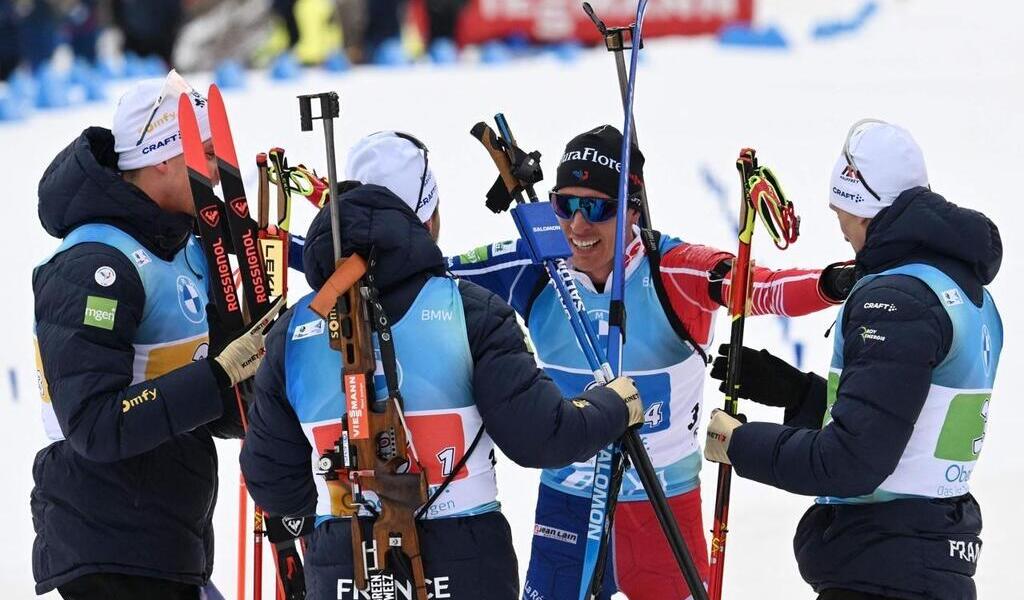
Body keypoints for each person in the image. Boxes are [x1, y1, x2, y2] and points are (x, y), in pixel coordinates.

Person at [448, 125, 855, 600]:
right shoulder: (536, 267)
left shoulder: (672, 270)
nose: (578, 226)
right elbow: (428, 280)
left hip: (662, 508)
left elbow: (759, 287)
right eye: (565, 205)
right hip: (568, 508)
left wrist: (836, 282)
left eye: (597, 208)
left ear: (632, 208)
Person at [239, 132, 644, 600]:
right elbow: (542, 436)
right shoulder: (470, 312)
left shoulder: (294, 330)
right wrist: (613, 405)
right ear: (428, 217)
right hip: (466, 562)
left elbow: (271, 480)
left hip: (341, 566)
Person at [704, 120, 1003, 600]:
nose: (840, 227)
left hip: (887, 572)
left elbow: (851, 463)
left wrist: (739, 443)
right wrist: (797, 393)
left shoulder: (898, 299)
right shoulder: (960, 289)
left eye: (841, 209)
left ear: (860, 205)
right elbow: (908, 428)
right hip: (920, 557)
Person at [31, 72, 282, 599]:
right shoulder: (95, 264)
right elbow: (96, 425)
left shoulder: (185, 251)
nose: (219, 172)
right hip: (107, 548)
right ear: (163, 156)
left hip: (169, 544)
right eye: (206, 153)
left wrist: (259, 371)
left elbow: (209, 409)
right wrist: (217, 376)